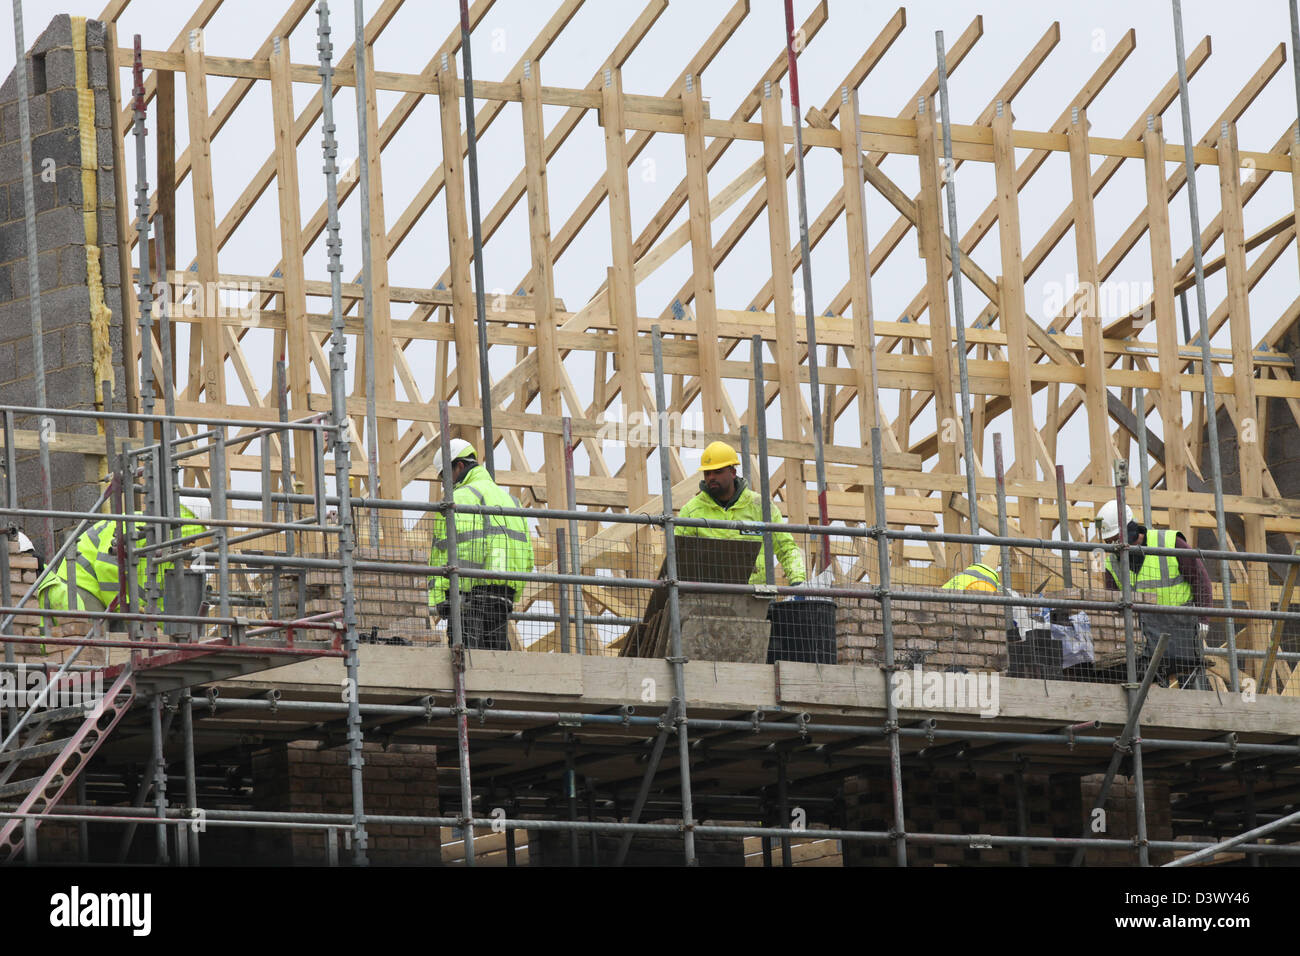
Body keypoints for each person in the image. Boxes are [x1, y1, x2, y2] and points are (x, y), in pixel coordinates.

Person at [428, 439, 534, 650]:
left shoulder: (456, 499)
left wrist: (440, 598)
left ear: (459, 466)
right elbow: (527, 556)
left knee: (466, 657)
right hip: (503, 594)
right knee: (497, 657)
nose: (443, 484)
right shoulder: (512, 501)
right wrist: (514, 591)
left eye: (444, 476)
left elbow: (443, 551)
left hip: (468, 594)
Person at [1095, 501, 1214, 683]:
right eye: (1109, 542)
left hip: (1180, 628)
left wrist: (1203, 618)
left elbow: (1200, 580)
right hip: (1144, 636)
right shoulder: (1113, 563)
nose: (1113, 546)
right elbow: (1114, 602)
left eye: (1115, 539)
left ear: (1128, 530)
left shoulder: (1169, 543)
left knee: (1187, 681)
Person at [35, 505, 205, 625]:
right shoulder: (141, 527)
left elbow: (160, 602)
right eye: (192, 537)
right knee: (96, 645)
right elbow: (106, 567)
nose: (193, 542)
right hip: (82, 585)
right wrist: (128, 606)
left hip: (104, 596)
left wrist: (166, 626)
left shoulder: (165, 552)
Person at [676, 441, 807, 586]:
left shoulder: (760, 506)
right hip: (709, 595)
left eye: (718, 471)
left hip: (756, 595)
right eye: (707, 473)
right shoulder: (691, 511)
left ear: (732, 473)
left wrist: (797, 581)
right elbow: (676, 555)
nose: (711, 477)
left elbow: (786, 547)